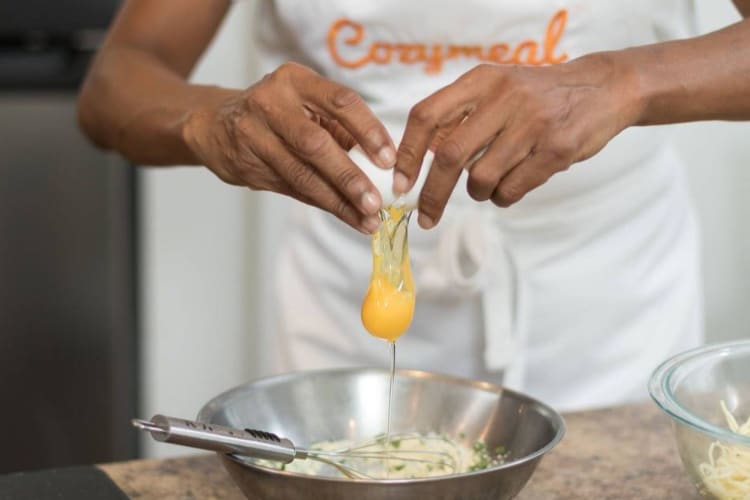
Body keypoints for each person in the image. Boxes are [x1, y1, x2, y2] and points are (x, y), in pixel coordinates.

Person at [78, 0, 750, 411]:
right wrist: (211, 119)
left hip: (606, 312)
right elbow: (115, 82)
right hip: (343, 317)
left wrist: (624, 80)